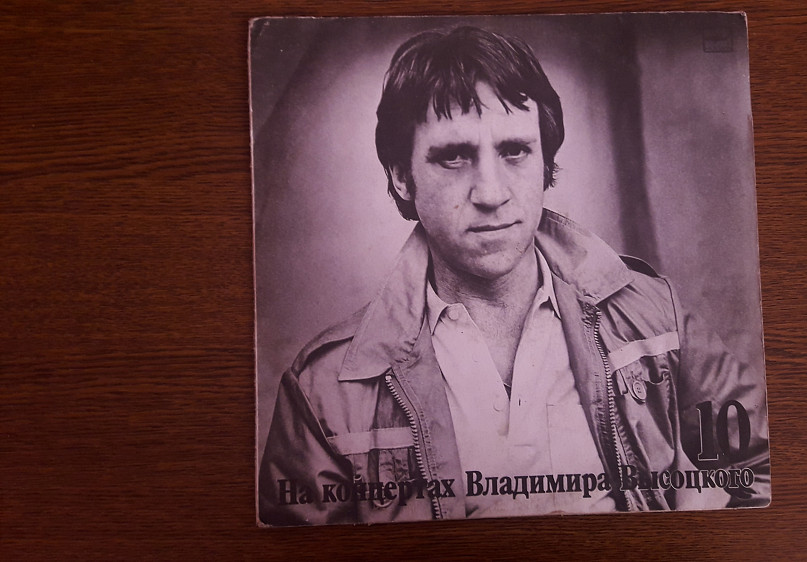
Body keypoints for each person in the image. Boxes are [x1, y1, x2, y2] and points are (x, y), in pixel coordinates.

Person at [258, 26, 769, 526]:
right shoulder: (323, 391)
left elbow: (766, 472)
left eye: (515, 151)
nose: (491, 192)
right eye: (454, 157)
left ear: (545, 163)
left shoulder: (656, 319)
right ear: (401, 176)